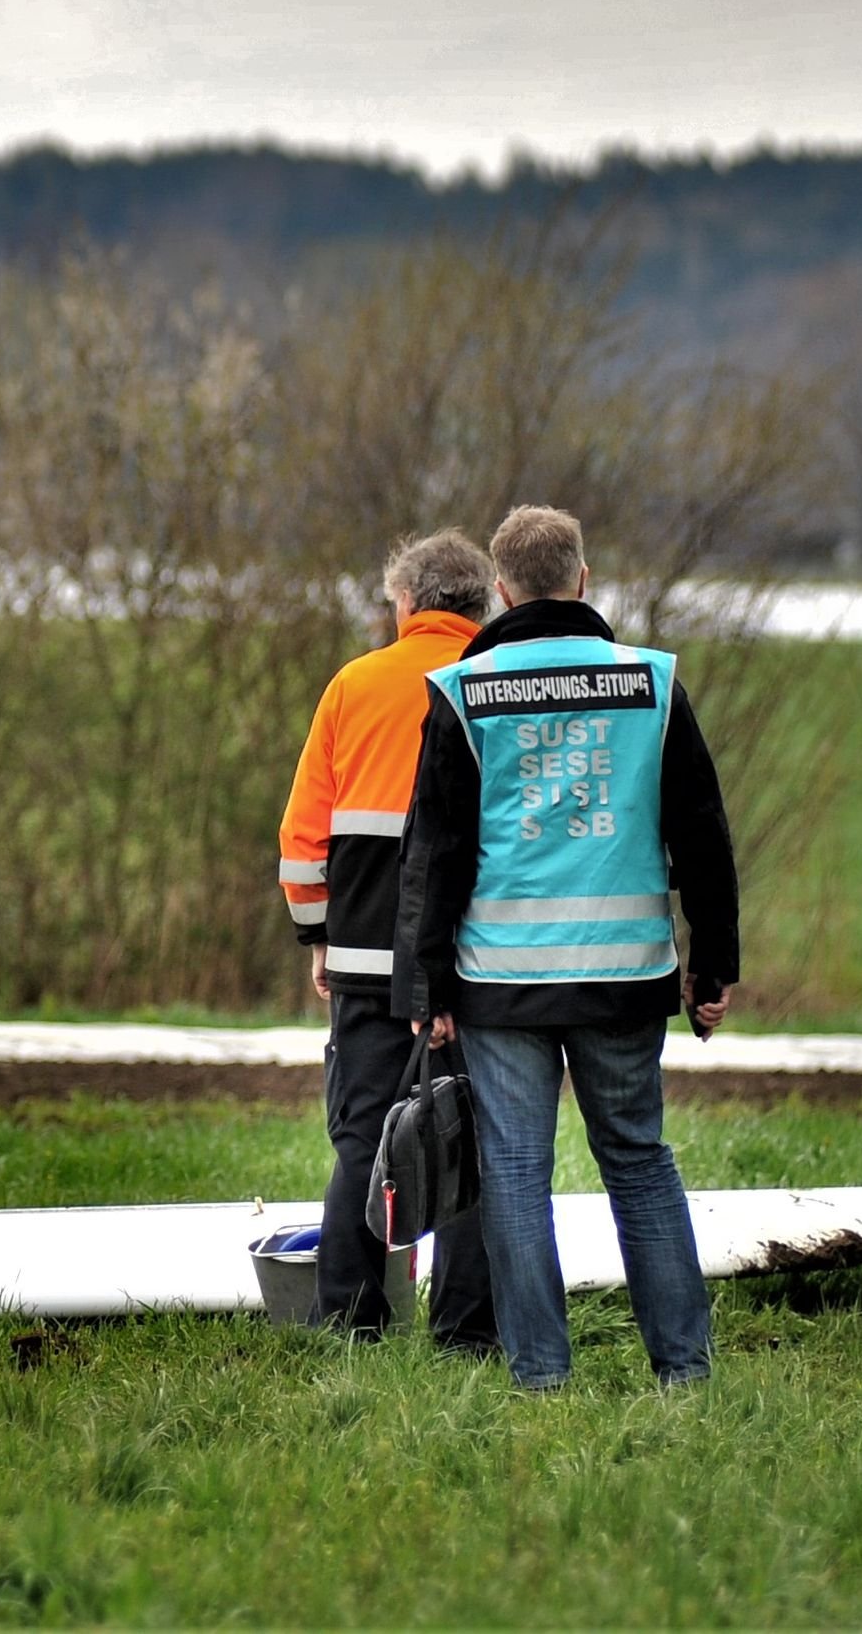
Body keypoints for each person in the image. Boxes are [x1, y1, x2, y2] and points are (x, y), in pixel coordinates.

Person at [392, 504, 739, 1391]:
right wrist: (713, 966)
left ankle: (542, 1375)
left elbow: (435, 853)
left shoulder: (465, 692)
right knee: (639, 1161)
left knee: (514, 1173)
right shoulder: (653, 684)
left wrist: (424, 990)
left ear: (501, 591)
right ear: (584, 580)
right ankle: (684, 1370)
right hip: (627, 974)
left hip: (502, 981)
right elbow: (702, 835)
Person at [275, 531, 500, 1346]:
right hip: (483, 962)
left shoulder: (353, 686)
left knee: (365, 1138)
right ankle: (468, 1332)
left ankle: (349, 1320)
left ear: (403, 605)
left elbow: (303, 837)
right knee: (475, 1142)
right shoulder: (496, 685)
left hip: (369, 962)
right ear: (486, 603)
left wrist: (318, 936)